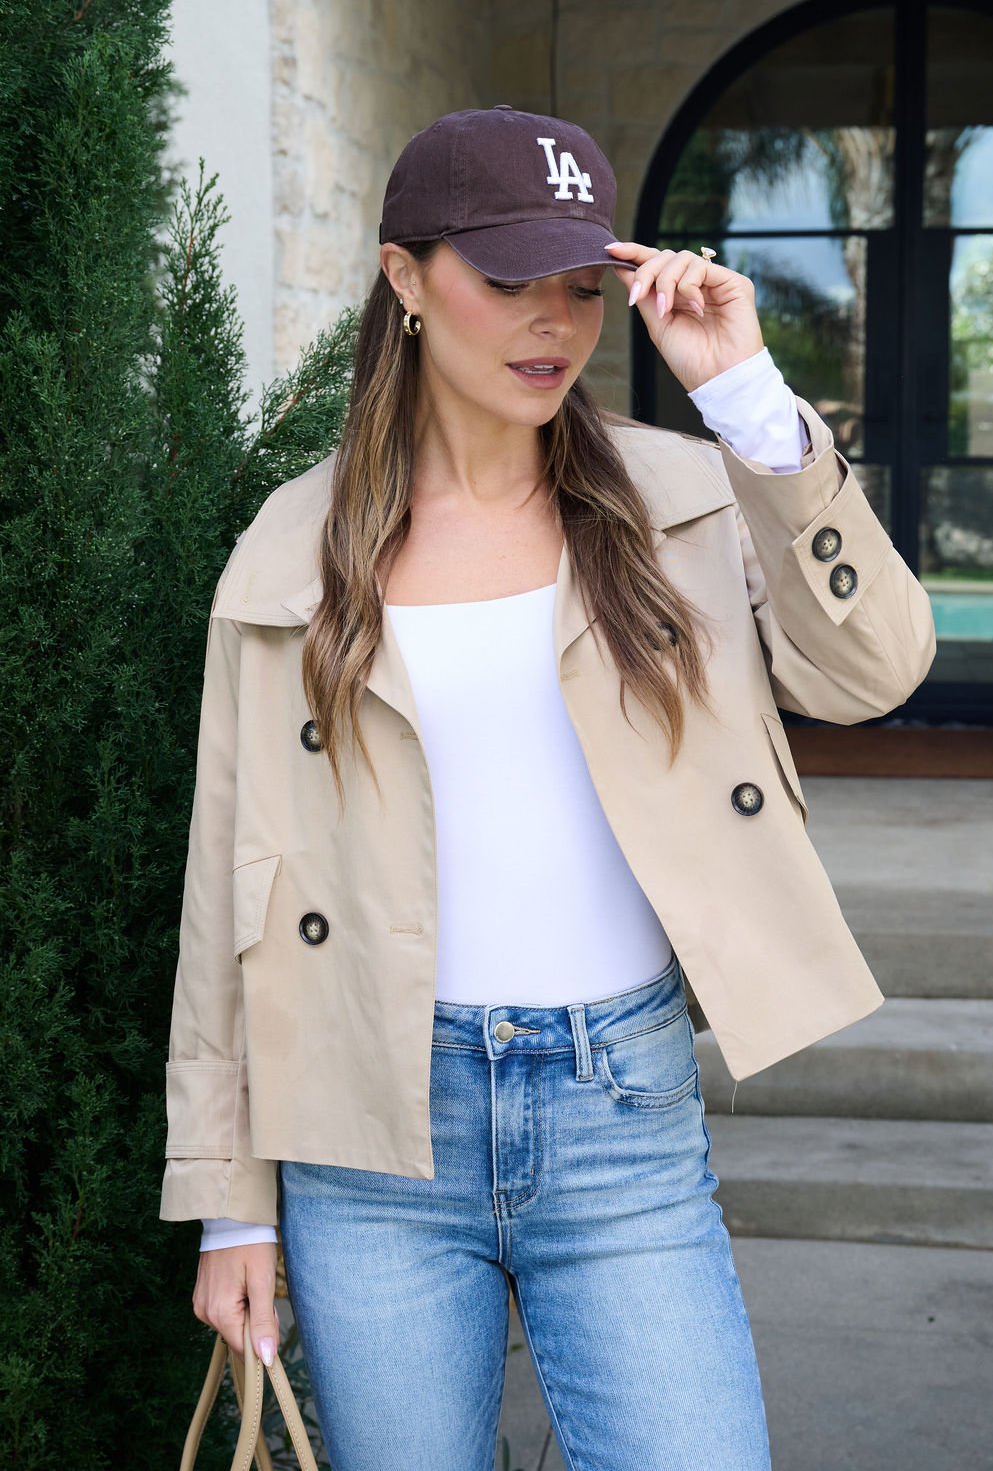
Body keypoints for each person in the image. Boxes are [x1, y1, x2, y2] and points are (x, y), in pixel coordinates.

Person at [161, 105, 936, 1469]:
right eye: (510, 279)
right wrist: (233, 1208)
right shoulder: (292, 547)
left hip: (619, 1111)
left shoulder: (684, 496)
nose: (555, 323)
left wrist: (749, 399)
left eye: (582, 286)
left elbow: (875, 668)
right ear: (404, 277)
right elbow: (232, 882)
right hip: (368, 1135)